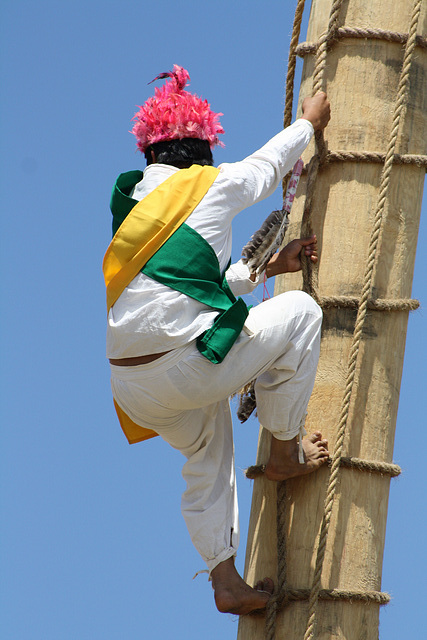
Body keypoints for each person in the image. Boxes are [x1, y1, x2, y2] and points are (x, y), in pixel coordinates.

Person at [103, 65, 331, 615]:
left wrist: (268, 264)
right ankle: (283, 450)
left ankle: (225, 581)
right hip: (183, 365)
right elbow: (263, 170)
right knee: (300, 312)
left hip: (134, 385)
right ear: (201, 151)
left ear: (152, 155)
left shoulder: (133, 206)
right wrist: (308, 123)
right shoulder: (208, 183)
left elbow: (188, 288)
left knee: (208, 446)